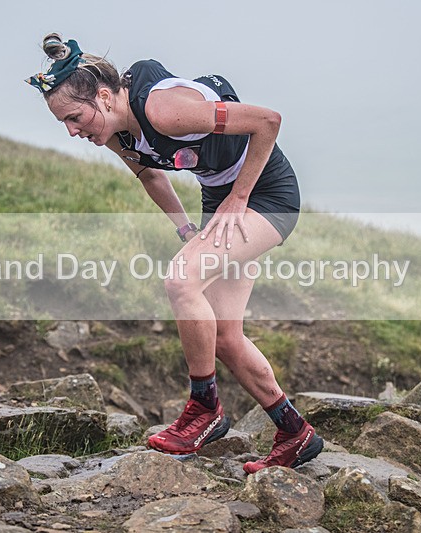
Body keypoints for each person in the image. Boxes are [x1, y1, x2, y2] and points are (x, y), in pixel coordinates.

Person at [26, 34, 323, 473]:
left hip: (265, 193)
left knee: (181, 280)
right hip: (221, 197)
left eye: (75, 117)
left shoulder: (163, 109)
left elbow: (268, 122)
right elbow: (151, 177)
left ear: (104, 97)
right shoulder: (117, 134)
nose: (73, 131)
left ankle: (205, 410)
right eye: (64, 124)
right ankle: (294, 433)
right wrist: (186, 229)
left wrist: (239, 198)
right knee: (223, 335)